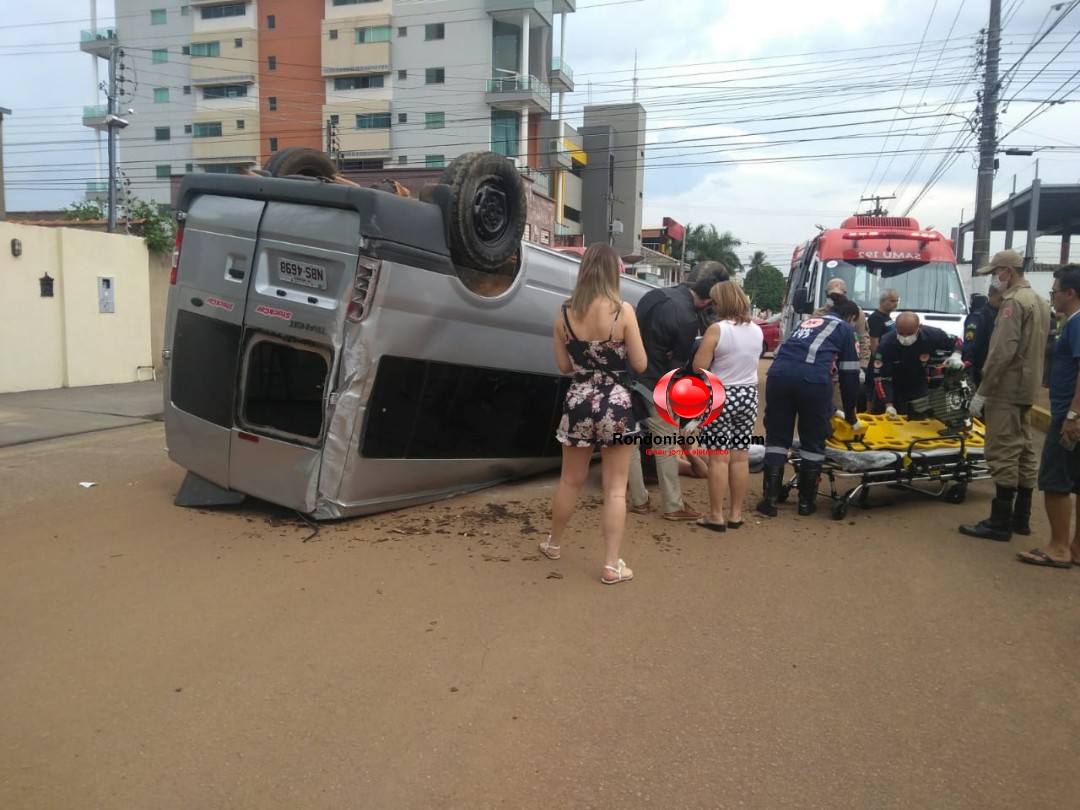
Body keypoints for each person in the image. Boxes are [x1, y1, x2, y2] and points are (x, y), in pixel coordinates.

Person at [543, 243, 647, 585]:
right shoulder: (622, 311)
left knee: (569, 480)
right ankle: (611, 565)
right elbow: (640, 363)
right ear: (614, 272)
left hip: (578, 402)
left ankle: (554, 544)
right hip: (616, 404)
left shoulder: (564, 312)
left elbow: (563, 366)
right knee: (615, 488)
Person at [960, 249, 1052, 542]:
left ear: (1007, 271)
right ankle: (1020, 518)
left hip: (1006, 388)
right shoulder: (1038, 300)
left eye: (994, 272)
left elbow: (1002, 352)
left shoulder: (1013, 303)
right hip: (1027, 387)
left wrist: (983, 391)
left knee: (1001, 450)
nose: (993, 278)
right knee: (1024, 449)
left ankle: (999, 523)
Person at [634, 264, 729, 521]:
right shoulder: (688, 319)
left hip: (629, 377)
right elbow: (676, 366)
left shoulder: (653, 295)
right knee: (665, 443)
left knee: (630, 442)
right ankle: (673, 505)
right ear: (708, 300)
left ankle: (639, 501)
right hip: (655, 384)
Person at [758, 294, 863, 517]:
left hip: (778, 377)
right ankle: (805, 504)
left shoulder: (805, 323)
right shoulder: (846, 330)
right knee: (813, 441)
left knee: (776, 439)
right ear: (852, 317)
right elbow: (850, 377)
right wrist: (851, 414)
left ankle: (769, 500)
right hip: (813, 382)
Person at [1017, 265, 1080, 567]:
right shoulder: (1072, 322)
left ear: (1070, 293)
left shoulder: (1077, 323)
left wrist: (1073, 415)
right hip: (1072, 411)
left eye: (1054, 292)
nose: (1052, 297)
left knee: (1055, 480)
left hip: (1069, 413)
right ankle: (1076, 548)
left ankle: (1058, 548)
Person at [691, 280, 764, 531]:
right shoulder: (757, 330)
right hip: (748, 396)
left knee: (718, 459)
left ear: (720, 302)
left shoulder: (717, 329)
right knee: (740, 457)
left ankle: (716, 515)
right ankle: (735, 514)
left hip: (721, 396)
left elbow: (699, 367)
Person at [868, 312, 964, 416]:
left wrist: (957, 355)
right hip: (891, 384)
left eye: (909, 333)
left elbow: (956, 341)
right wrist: (888, 405)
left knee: (916, 417)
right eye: (901, 333)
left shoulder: (931, 335)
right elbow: (881, 377)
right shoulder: (886, 344)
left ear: (919, 327)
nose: (905, 337)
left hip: (917, 382)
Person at [814, 277, 870, 407]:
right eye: (832, 296)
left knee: (839, 406)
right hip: (821, 367)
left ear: (845, 295)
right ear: (826, 295)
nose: (835, 299)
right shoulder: (819, 313)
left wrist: (863, 366)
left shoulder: (855, 312)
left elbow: (863, 339)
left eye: (838, 296)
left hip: (845, 365)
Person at [962, 282, 1004, 388]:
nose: (1004, 301)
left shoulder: (1006, 316)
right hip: (981, 371)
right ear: (990, 296)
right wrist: (969, 377)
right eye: (1001, 298)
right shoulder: (978, 317)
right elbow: (969, 348)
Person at [867, 289, 900, 356]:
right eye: (892, 301)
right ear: (882, 301)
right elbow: (873, 343)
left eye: (897, 301)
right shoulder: (876, 318)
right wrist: (878, 358)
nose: (896, 304)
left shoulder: (886, 317)